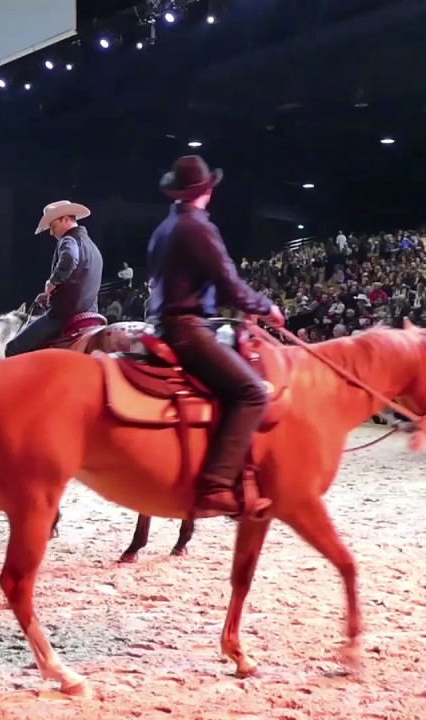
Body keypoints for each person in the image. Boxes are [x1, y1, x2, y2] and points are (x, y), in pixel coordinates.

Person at [146, 155, 284, 518]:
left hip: (167, 323)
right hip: (187, 327)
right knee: (252, 392)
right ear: (206, 190)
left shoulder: (166, 227)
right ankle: (217, 485)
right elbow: (229, 284)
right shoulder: (198, 227)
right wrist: (266, 307)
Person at [4, 200, 104, 356]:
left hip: (64, 316)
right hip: (91, 315)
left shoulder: (69, 240)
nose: (51, 233)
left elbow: (70, 258)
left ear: (65, 219)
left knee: (12, 348)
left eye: (53, 226)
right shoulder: (93, 247)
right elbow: (78, 281)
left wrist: (52, 282)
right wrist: (51, 294)